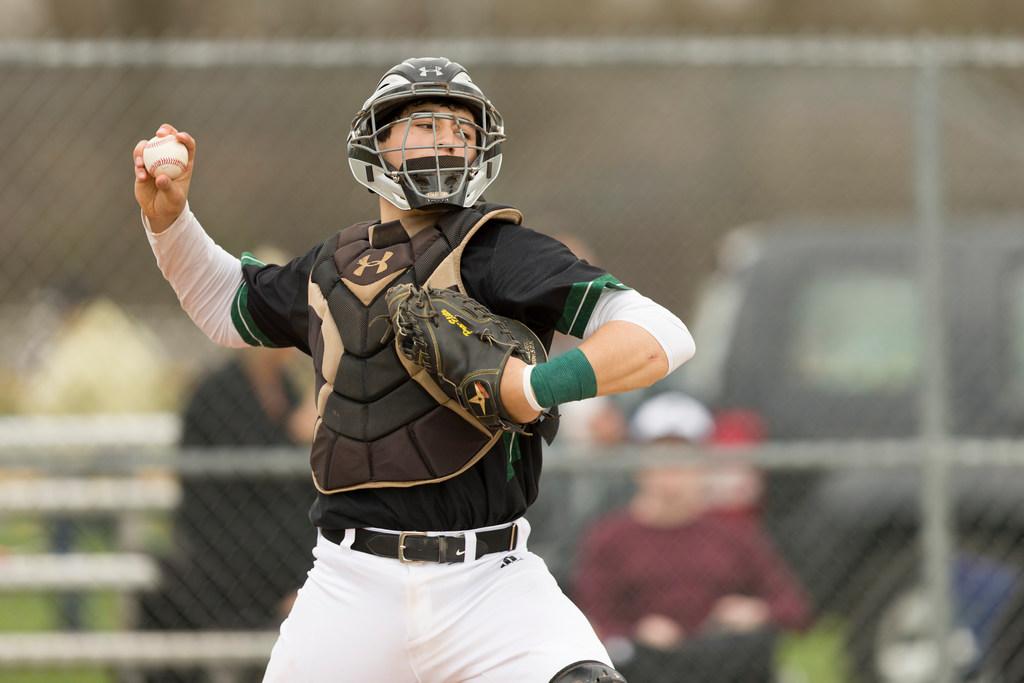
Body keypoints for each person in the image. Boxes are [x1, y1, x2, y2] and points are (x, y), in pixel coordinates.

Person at [131, 57, 695, 683]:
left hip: (490, 583)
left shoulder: (498, 252)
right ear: (377, 142)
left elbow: (660, 335)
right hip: (350, 586)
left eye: (463, 129)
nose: (448, 138)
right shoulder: (331, 266)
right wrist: (170, 221)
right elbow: (224, 305)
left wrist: (532, 388)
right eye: (425, 124)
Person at [573, 392, 812, 683]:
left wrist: (755, 612)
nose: (672, 474)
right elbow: (591, 618)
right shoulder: (610, 537)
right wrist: (636, 632)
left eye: (683, 460)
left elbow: (794, 607)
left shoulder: (734, 534)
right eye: (661, 459)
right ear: (639, 464)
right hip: (647, 667)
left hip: (720, 664)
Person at [138, 343, 316, 683]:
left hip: (277, 548)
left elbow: (295, 490)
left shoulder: (284, 387)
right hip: (223, 549)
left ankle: (298, 592)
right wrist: (296, 435)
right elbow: (252, 483)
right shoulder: (219, 393)